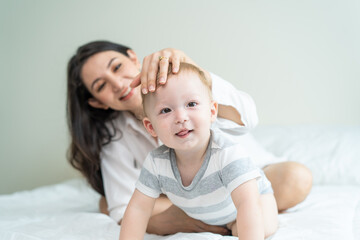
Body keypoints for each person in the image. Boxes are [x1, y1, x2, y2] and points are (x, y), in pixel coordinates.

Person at [67, 40, 312, 235]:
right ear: (97, 102)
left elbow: (248, 119)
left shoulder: (188, 84)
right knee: (121, 203)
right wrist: (149, 214)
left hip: (245, 179)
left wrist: (195, 70)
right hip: (185, 194)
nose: (118, 84)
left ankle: (221, 217)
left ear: (133, 58)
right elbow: (131, 207)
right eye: (101, 86)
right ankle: (206, 214)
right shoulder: (127, 143)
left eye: (117, 67)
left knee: (291, 180)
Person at [119, 62, 278, 240]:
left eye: (191, 104)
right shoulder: (156, 162)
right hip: (207, 212)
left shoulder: (227, 153)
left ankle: (233, 225)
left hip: (256, 201)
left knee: (249, 227)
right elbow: (138, 209)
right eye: (166, 110)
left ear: (212, 112)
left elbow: (247, 204)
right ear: (151, 127)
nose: (181, 118)